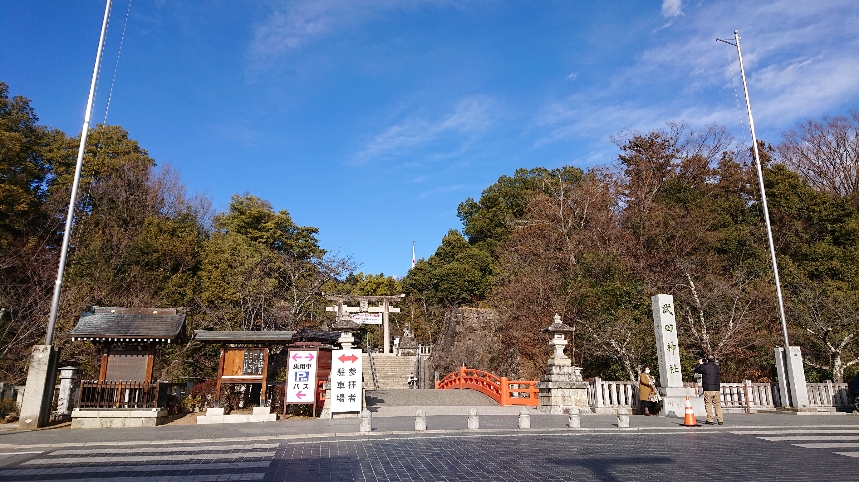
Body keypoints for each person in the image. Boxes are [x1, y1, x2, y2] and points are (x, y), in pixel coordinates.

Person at [695, 355, 723, 425]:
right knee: (717, 404)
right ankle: (720, 419)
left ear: (707, 360)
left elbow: (697, 370)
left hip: (708, 388)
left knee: (708, 404)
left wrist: (699, 363)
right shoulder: (717, 367)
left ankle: (710, 419)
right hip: (716, 389)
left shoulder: (704, 367)